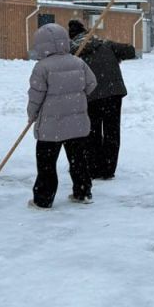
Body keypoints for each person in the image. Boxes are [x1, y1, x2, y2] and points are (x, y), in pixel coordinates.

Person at [27, 23, 97, 209]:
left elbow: (35, 96)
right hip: (77, 124)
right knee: (78, 160)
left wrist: (31, 114)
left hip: (51, 127)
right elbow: (91, 84)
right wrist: (76, 96)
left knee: (47, 163)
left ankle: (43, 198)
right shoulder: (78, 62)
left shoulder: (41, 67)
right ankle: (83, 192)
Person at [68, 19, 137, 180]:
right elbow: (131, 51)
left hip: (91, 96)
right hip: (114, 93)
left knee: (92, 133)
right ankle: (108, 168)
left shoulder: (73, 52)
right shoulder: (104, 43)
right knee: (112, 132)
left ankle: (94, 168)